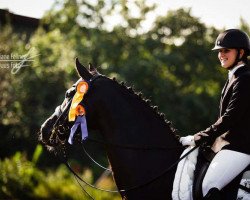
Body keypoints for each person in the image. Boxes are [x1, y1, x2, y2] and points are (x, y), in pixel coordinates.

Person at [181, 29, 250, 199]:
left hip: (240, 147)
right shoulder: (234, 78)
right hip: (227, 145)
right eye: (219, 51)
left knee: (209, 186)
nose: (221, 55)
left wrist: (198, 137)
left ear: (241, 52)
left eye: (226, 50)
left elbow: (229, 119)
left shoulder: (245, 79)